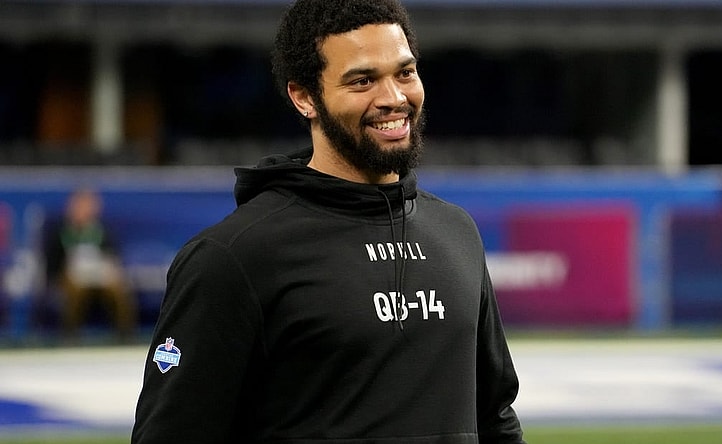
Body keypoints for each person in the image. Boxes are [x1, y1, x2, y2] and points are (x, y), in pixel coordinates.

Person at [132, 0, 525, 442]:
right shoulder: (235, 256)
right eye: (362, 80)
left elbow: (494, 417)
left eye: (404, 72)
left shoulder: (456, 232)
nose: (393, 98)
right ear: (304, 98)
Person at [45, 188, 135, 342]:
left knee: (117, 288)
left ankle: (124, 334)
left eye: (88, 206)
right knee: (76, 291)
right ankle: (70, 335)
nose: (83, 210)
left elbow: (113, 256)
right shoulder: (60, 231)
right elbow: (52, 261)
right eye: (80, 206)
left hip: (99, 274)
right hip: (70, 276)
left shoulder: (103, 231)